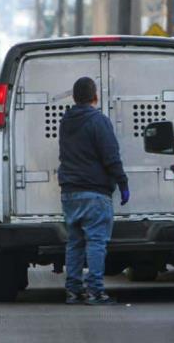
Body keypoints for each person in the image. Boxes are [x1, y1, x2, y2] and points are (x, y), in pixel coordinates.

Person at [57, 76, 130, 305]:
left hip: (70, 192)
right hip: (95, 193)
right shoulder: (99, 121)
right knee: (96, 241)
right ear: (95, 96)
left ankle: (73, 290)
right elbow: (111, 156)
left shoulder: (66, 122)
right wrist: (123, 183)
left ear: (74, 98)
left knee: (75, 242)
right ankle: (96, 292)